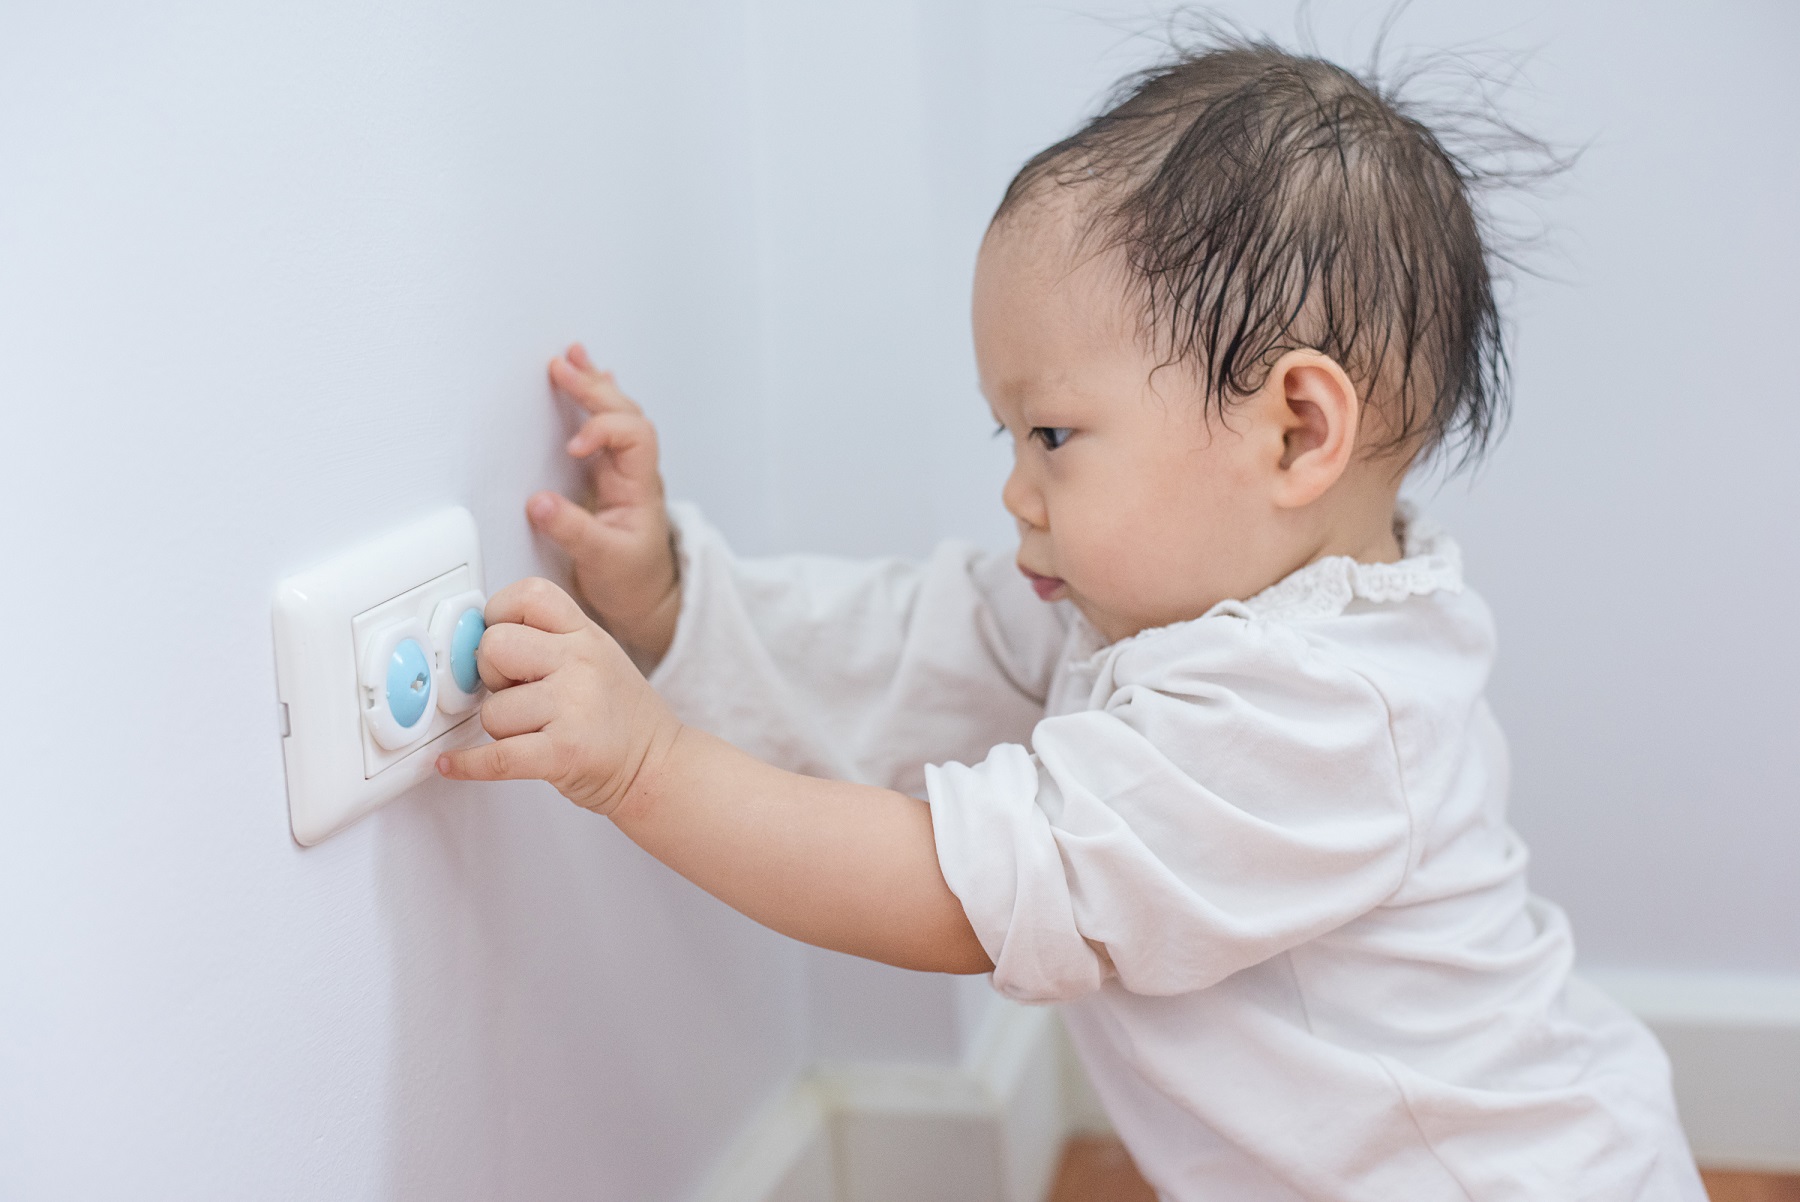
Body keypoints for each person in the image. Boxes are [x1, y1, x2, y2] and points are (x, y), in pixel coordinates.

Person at [438, 36, 1705, 1201]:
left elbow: (958, 893)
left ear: (1295, 431)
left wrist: (647, 766)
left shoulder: (1317, 716)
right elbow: (909, 642)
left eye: (1050, 433)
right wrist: (669, 597)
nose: (1015, 486)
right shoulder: (1149, 605)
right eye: (1009, 432)